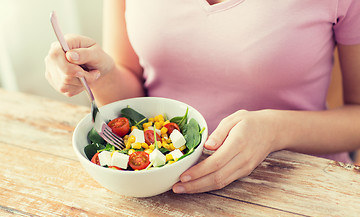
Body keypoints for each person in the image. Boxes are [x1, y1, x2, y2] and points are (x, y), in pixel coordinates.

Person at [45, 0, 360, 194]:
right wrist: (99, 73)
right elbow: (132, 87)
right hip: (162, 191)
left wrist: (275, 130)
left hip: (299, 189)